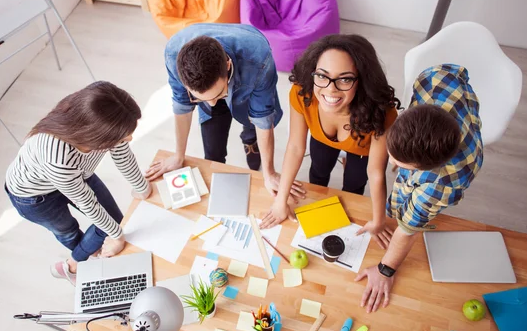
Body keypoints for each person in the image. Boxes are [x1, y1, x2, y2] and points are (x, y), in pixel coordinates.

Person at [355, 64, 483, 313]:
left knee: (410, 214)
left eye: (399, 163)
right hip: (446, 92)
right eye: (393, 154)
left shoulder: (441, 183)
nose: (390, 162)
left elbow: (407, 230)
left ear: (424, 168)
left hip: (458, 162)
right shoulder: (431, 80)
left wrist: (385, 270)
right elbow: (454, 71)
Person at [261, 34, 401, 250]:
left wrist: (378, 219)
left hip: (361, 152)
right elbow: (296, 147)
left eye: (344, 79)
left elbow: (375, 171)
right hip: (321, 140)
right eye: (322, 76)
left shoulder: (382, 111)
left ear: (361, 80)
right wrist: (281, 201)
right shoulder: (302, 93)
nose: (330, 89)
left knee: (354, 185)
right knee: (318, 172)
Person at [5, 81, 151, 285]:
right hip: (34, 197)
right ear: (97, 138)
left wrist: (143, 188)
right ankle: (73, 265)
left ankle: (84, 254)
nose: (130, 138)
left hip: (78, 174)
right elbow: (88, 204)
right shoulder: (58, 157)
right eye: (124, 135)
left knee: (113, 221)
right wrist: (118, 237)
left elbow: (123, 156)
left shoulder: (99, 123)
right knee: (68, 230)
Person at [144, 23, 305, 200]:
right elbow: (182, 105)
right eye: (200, 98)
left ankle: (249, 139)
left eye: (219, 94)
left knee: (251, 122)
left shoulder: (258, 58)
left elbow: (262, 117)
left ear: (228, 65)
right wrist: (178, 155)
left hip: (248, 85)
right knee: (212, 152)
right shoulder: (173, 55)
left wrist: (269, 173)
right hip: (214, 79)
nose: (213, 104)